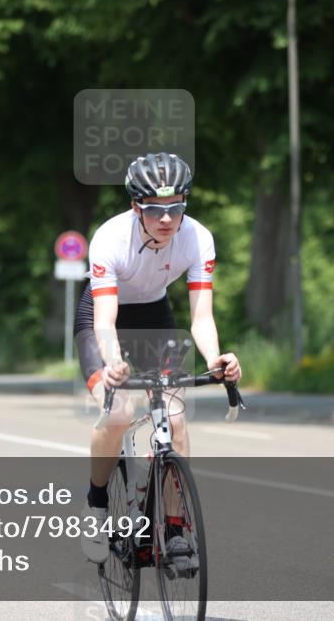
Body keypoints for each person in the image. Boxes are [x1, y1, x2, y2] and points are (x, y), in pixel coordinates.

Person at [75, 152, 242, 569]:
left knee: (177, 417)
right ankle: (96, 505)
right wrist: (113, 363)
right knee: (119, 414)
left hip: (153, 314)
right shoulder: (110, 239)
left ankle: (173, 528)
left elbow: (201, 317)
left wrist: (215, 358)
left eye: (176, 208)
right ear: (136, 206)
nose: (166, 219)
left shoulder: (198, 237)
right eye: (154, 210)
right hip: (102, 317)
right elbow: (106, 321)